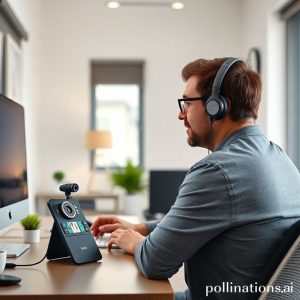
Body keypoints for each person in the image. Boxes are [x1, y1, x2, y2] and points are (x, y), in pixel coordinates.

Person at [91, 57, 300, 300]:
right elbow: (211, 221)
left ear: (218, 106)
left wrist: (134, 242)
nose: (181, 115)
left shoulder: (218, 170)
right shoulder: (280, 159)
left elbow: (156, 263)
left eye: (187, 104)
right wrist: (142, 228)